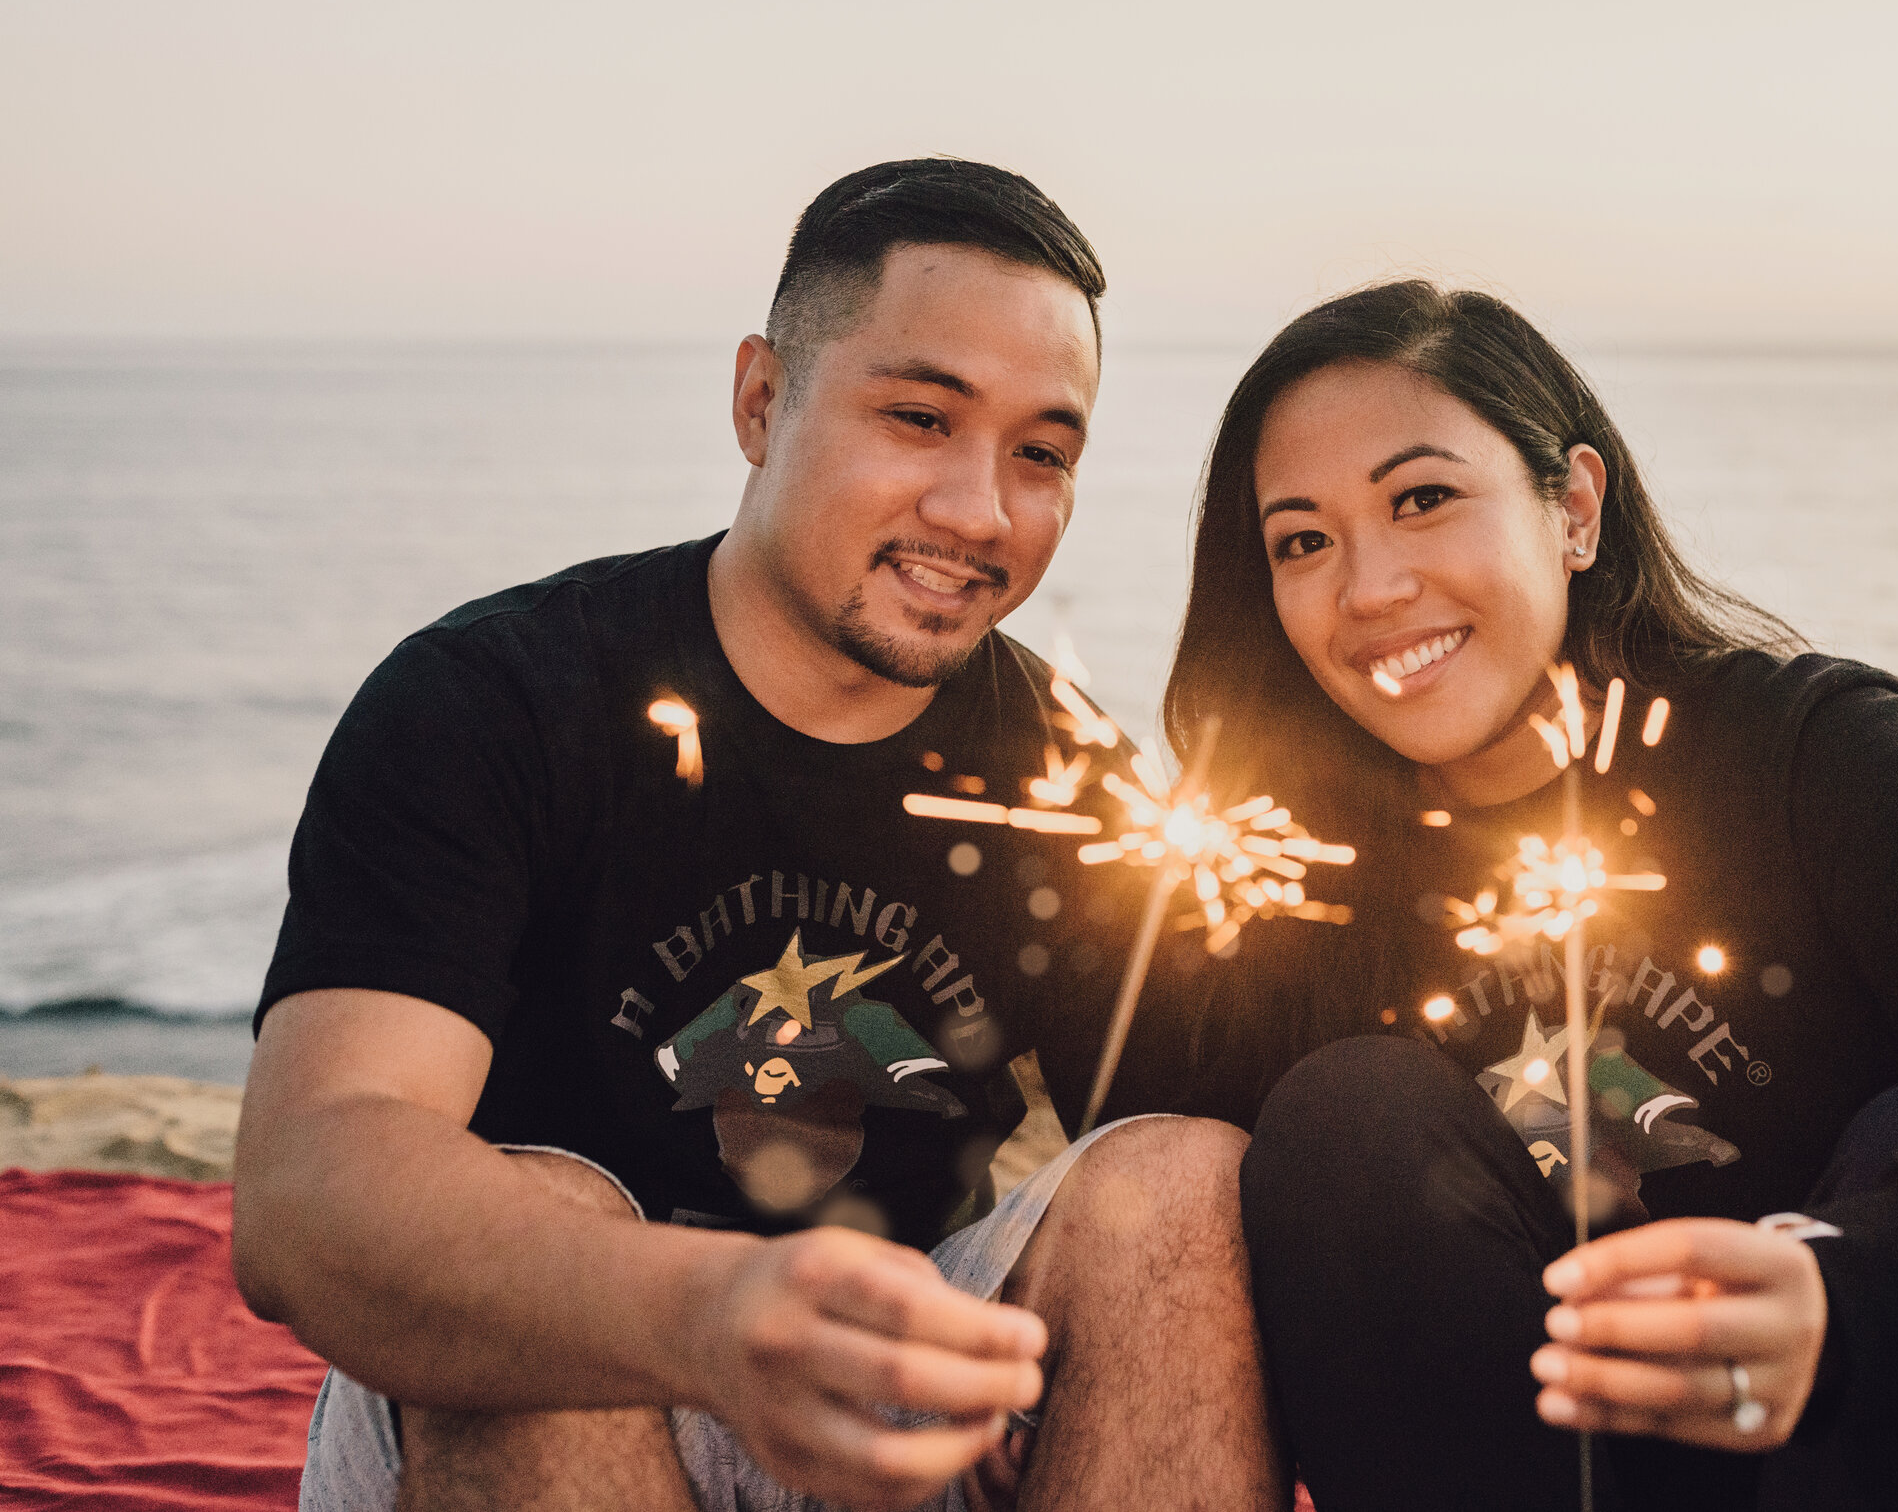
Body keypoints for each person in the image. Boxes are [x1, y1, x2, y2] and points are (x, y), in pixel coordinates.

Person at [1157, 280, 1898, 1510]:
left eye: (1422, 499)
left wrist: (1858, 1295)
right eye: (1302, 540)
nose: (1367, 588)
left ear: (1573, 507)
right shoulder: (1295, 866)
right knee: (1344, 1111)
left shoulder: (1799, 754)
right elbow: (1166, 1196)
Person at [232, 160, 1285, 1512]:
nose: (980, 510)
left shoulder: (1064, 773)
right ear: (759, 399)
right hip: (530, 1400)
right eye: (919, 416)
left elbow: (1189, 1184)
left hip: (886, 1413)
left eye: (1043, 454)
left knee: (1188, 1180)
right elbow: (309, 1186)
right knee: (540, 1198)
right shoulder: (496, 700)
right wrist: (709, 1311)